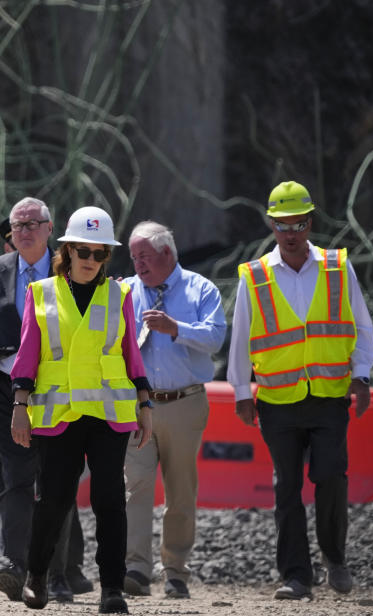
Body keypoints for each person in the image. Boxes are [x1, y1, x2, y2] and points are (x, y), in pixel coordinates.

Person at [227, 181, 373, 600]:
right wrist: (241, 390)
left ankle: (335, 558)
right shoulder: (254, 277)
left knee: (330, 476)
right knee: (286, 486)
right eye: (282, 225)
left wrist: (361, 375)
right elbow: (241, 336)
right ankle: (296, 576)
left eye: (298, 223)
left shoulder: (336, 266)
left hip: (329, 396)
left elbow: (361, 325)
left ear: (310, 223)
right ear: (271, 226)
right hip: (277, 399)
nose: (290, 233)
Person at [10, 206, 153, 613]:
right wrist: (20, 406)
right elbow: (27, 356)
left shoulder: (120, 295)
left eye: (99, 253)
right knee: (53, 500)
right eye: (83, 251)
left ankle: (112, 589)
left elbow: (131, 356)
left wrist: (144, 404)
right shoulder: (40, 294)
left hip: (109, 415)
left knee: (110, 500)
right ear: (68, 250)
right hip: (59, 414)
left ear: (106, 257)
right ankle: (37, 577)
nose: (91, 260)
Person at [0, 198, 91, 603]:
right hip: (4, 391)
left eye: (34, 223)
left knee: (56, 483)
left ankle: (58, 574)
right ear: (10, 233)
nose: (26, 230)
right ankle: (16, 566)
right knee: (15, 479)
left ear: (51, 229)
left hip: (57, 390)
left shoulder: (75, 268)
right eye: (19, 225)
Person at [122, 221, 227, 599]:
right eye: (134, 257)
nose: (138, 264)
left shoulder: (202, 289)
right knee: (135, 487)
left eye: (145, 256)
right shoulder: (125, 292)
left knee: (180, 491)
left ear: (167, 253)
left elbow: (216, 338)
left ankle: (176, 571)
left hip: (185, 401)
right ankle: (135, 569)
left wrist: (176, 328)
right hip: (138, 405)